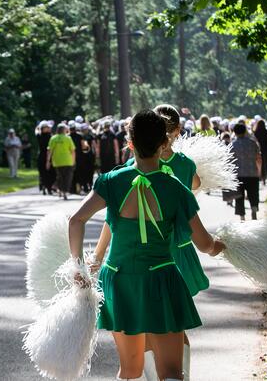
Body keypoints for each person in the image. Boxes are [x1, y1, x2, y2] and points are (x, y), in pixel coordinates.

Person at [69, 110, 224, 381]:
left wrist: (78, 268)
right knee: (172, 373)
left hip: (118, 280)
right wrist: (220, 247)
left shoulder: (111, 181)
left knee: (130, 371)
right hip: (161, 280)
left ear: (129, 144)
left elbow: (76, 220)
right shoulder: (176, 188)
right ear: (164, 144)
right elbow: (204, 244)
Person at [230, 123, 262, 221]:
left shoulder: (232, 145)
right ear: (245, 131)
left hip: (238, 174)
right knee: (253, 193)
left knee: (239, 196)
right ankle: (254, 208)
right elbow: (258, 158)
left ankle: (242, 216)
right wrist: (259, 171)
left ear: (234, 132)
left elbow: (230, 161)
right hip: (252, 173)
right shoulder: (252, 143)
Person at [46, 123, 75, 200]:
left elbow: (50, 151)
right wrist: (73, 160)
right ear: (64, 130)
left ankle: (60, 190)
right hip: (67, 161)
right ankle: (64, 192)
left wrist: (48, 161)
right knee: (67, 177)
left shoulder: (53, 138)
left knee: (59, 177)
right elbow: (72, 150)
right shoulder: (68, 138)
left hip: (57, 161)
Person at [36, 122, 55, 195]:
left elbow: (36, 130)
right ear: (44, 128)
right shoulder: (50, 136)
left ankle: (44, 187)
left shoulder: (38, 135)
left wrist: (38, 125)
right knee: (48, 172)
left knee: (43, 172)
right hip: (48, 155)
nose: (49, 128)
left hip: (42, 155)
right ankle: (48, 188)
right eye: (47, 127)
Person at [254, 119, 267, 185]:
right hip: (266, 150)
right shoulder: (266, 132)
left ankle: (263, 179)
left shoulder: (255, 132)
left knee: (260, 165)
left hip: (258, 150)